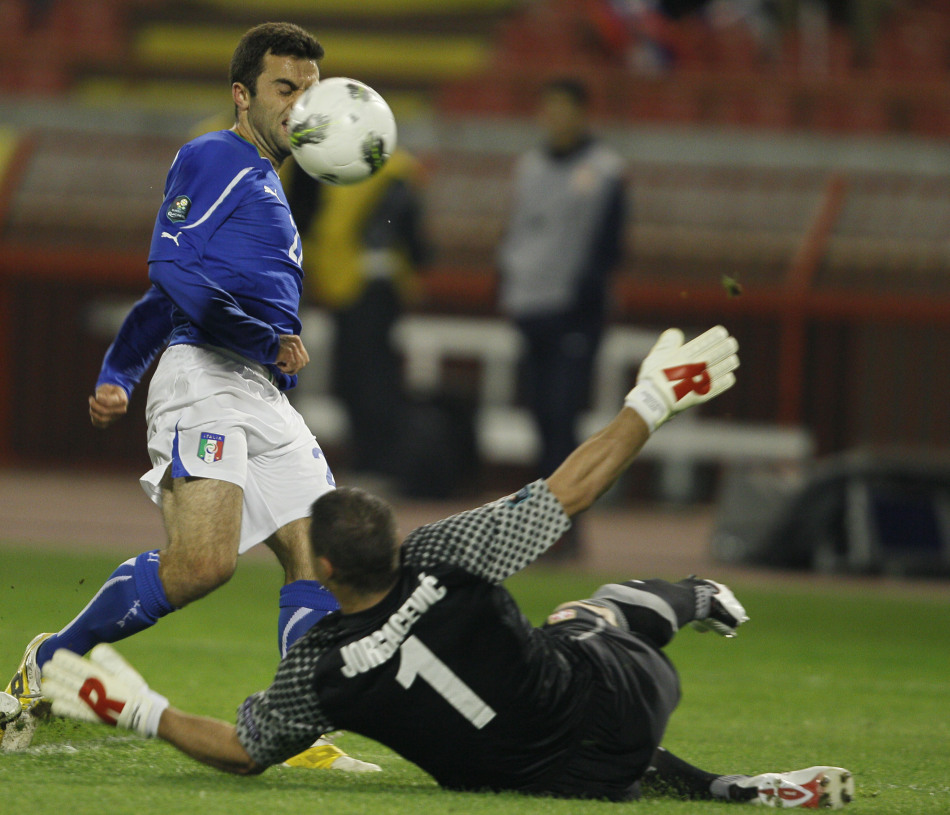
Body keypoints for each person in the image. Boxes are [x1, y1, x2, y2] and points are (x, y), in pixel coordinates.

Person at [39, 326, 854, 808]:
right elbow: (572, 489)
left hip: (558, 780)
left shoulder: (322, 671)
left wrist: (137, 707)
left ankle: (728, 758)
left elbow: (240, 748)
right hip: (623, 699)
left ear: (322, 568)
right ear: (392, 542)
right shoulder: (445, 554)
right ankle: (696, 607)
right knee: (587, 618)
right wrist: (649, 402)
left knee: (569, 701)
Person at [0, 22, 376, 771]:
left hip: (260, 390)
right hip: (204, 377)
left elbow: (162, 291)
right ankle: (47, 664)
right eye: (284, 87)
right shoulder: (217, 157)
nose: (301, 104)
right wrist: (257, 336)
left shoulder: (270, 180)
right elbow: (170, 269)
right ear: (242, 95)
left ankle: (295, 727)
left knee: (320, 554)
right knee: (203, 565)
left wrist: (117, 370)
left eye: (310, 90)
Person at [497, 76, 627, 558]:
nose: (553, 118)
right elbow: (519, 230)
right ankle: (542, 521)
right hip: (530, 307)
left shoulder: (605, 170)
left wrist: (583, 298)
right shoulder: (528, 166)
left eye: (563, 108)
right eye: (547, 108)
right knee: (538, 414)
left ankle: (565, 523)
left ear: (582, 113)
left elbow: (609, 247)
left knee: (564, 414)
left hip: (574, 313)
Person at [282, 146, 428, 480]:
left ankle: (379, 465)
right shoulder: (390, 168)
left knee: (369, 379)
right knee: (358, 377)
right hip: (351, 286)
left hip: (367, 287)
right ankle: (372, 462)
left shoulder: (388, 170)